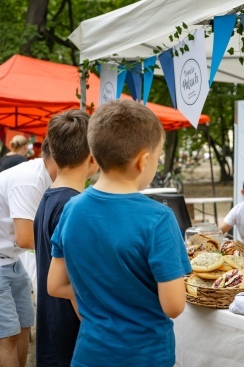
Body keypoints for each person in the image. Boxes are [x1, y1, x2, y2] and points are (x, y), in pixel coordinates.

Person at [47, 99, 192, 367]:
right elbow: (174, 305)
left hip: (89, 353)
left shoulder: (71, 208)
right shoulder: (158, 219)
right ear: (143, 160)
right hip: (145, 356)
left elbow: (55, 285)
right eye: (157, 157)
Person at [34, 110, 99, 367]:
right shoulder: (73, 205)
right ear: (93, 158)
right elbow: (75, 284)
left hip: (53, 327)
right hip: (71, 336)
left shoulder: (50, 196)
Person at [0, 138, 57, 367]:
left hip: (12, 260)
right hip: (4, 260)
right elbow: (26, 239)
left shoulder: (46, 177)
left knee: (24, 326)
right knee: (7, 335)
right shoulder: (31, 180)